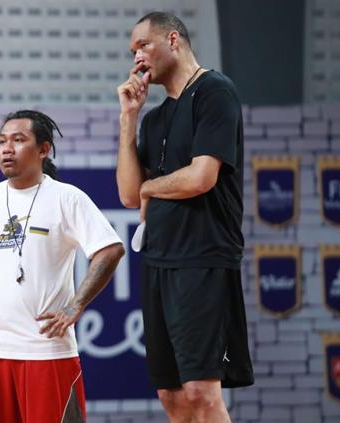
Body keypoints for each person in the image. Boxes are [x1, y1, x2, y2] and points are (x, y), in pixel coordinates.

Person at [116, 11, 254, 423]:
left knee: (201, 390)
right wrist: (129, 118)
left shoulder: (214, 91)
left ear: (173, 40)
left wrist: (149, 187)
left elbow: (201, 177)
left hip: (204, 256)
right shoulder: (155, 117)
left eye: (143, 45)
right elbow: (127, 193)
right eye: (131, 51)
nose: (136, 58)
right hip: (159, 260)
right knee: (172, 394)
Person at [0, 110, 125, 423]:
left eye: (19, 140)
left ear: (43, 149)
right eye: (2, 141)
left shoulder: (66, 198)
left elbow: (110, 250)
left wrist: (75, 305)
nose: (7, 148)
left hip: (47, 353)